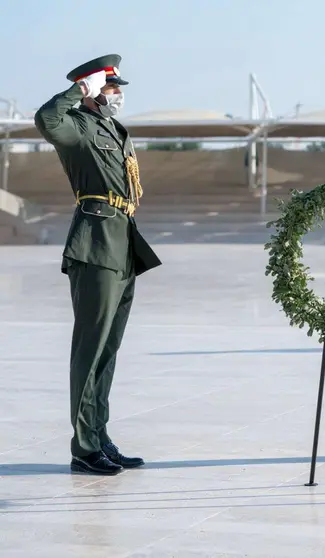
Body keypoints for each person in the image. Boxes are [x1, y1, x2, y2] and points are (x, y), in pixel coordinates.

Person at [34, 54, 161, 475]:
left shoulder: (111, 127)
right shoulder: (77, 125)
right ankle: (83, 448)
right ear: (92, 91)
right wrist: (77, 91)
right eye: (111, 87)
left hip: (122, 242)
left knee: (109, 350)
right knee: (90, 349)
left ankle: (99, 436)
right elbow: (46, 120)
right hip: (95, 242)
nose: (118, 94)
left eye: (117, 88)